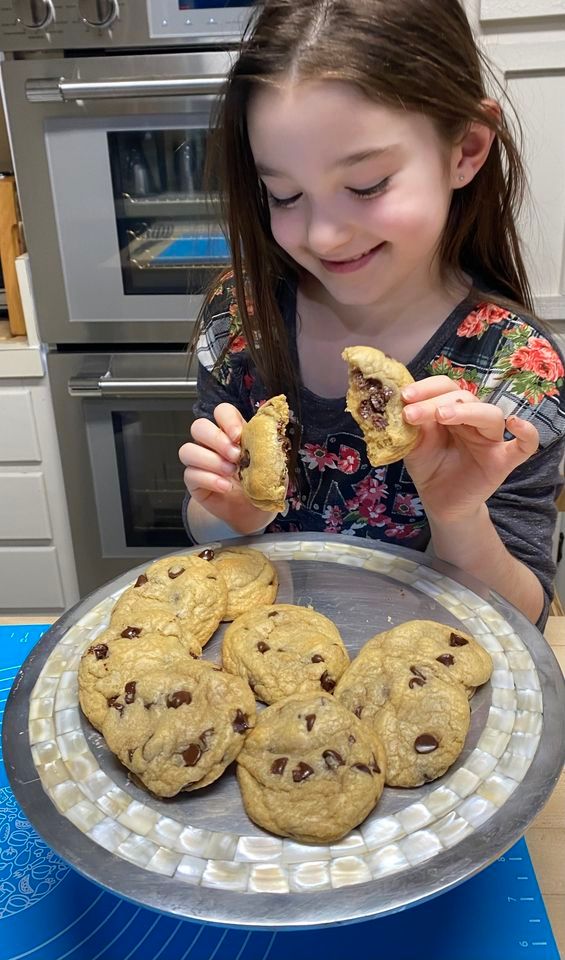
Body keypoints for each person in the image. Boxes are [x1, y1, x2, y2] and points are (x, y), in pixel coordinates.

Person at [178, 0, 565, 628]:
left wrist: (457, 515)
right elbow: (203, 522)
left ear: (465, 148)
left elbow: (523, 615)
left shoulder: (515, 371)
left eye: (367, 185)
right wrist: (231, 511)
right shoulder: (240, 319)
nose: (325, 236)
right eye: (285, 195)